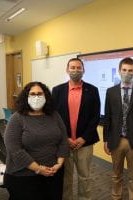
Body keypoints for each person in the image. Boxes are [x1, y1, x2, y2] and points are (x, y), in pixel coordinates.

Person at [3, 82, 69, 200]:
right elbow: (14, 150)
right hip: (24, 176)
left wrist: (59, 164)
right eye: (32, 94)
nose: (36, 97)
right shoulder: (17, 118)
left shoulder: (54, 115)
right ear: (26, 97)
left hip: (53, 173)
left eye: (39, 93)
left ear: (46, 96)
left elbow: (64, 140)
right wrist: (38, 169)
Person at [52, 58, 100, 200]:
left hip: (84, 143)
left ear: (83, 70)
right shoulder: (57, 90)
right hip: (64, 143)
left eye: (79, 68)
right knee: (66, 178)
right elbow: (54, 117)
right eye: (72, 68)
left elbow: (95, 117)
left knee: (84, 177)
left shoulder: (92, 90)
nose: (75, 70)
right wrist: (65, 138)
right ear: (67, 70)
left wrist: (83, 137)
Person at [103, 57, 133, 200]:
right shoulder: (111, 92)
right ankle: (116, 197)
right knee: (116, 174)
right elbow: (108, 117)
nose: (127, 73)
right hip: (116, 140)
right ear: (119, 71)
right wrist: (105, 140)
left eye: (130, 70)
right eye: (124, 70)